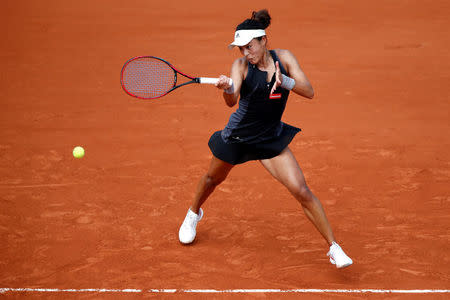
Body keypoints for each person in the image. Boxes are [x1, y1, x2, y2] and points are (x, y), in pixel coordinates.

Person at [178, 9, 353, 268]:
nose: (245, 53)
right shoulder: (240, 67)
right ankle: (193, 213)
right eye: (241, 49)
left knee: (301, 190)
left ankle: (334, 248)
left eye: (249, 47)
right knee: (212, 179)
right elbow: (232, 100)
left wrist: (286, 82)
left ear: (263, 41)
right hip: (238, 137)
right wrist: (227, 88)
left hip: (270, 138)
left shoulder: (285, 58)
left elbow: (310, 91)